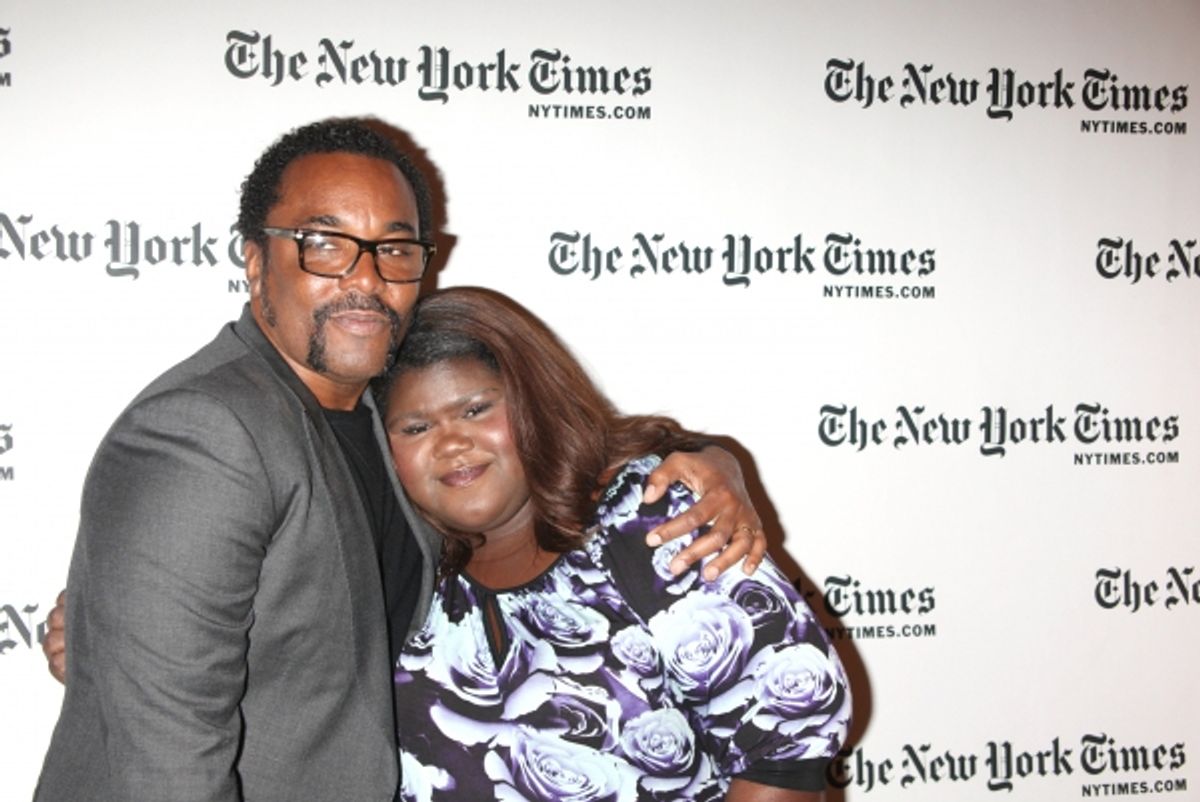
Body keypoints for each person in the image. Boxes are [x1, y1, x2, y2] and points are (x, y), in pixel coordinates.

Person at [34, 117, 767, 802]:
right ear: (256, 263)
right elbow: (168, 765)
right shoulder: (206, 431)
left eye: (393, 248)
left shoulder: (382, 420)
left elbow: (547, 453)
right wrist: (116, 644)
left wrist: (711, 460)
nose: (365, 277)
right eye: (325, 243)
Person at [381, 287, 851, 801]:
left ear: (532, 401)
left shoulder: (643, 522)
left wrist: (720, 460)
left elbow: (786, 746)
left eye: (475, 410)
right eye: (416, 427)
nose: (451, 442)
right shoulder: (402, 561)